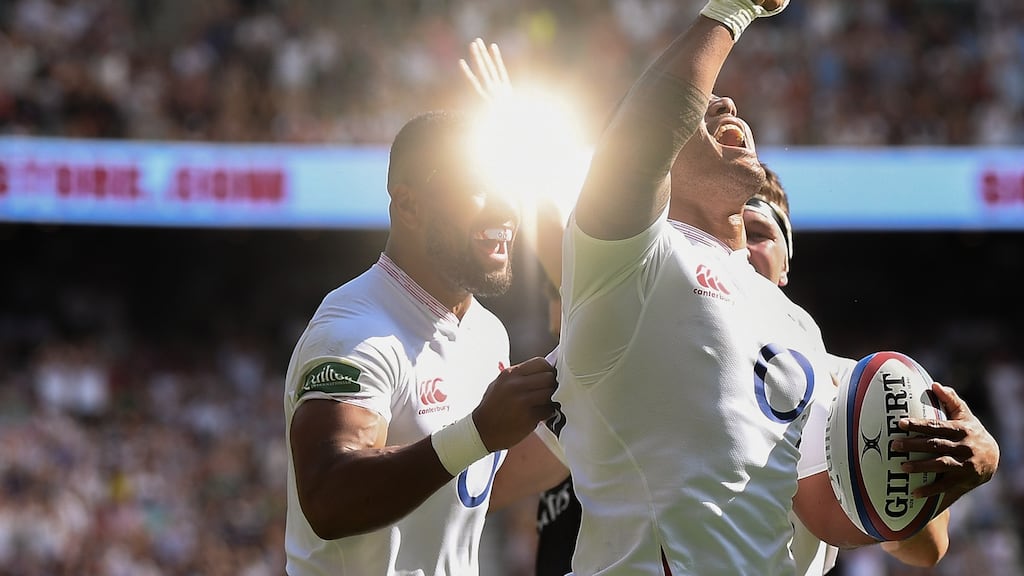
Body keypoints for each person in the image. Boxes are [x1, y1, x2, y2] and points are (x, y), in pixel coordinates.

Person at [554, 0, 999, 573]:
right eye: (700, 107)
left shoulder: (796, 327)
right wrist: (735, 8)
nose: (725, 101)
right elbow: (639, 140)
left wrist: (945, 472)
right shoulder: (632, 263)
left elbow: (840, 514)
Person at [282, 110, 559, 575]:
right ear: (409, 205)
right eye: (478, 187)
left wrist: (574, 410)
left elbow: (465, 488)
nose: (505, 209)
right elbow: (328, 499)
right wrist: (479, 432)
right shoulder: (353, 332)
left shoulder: (486, 331)